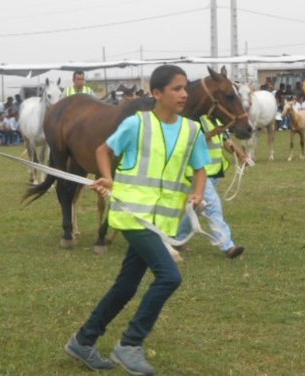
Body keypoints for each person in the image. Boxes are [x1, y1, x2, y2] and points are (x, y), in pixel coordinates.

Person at [64, 65, 210, 376]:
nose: (184, 94)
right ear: (157, 94)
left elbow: (201, 168)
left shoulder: (192, 130)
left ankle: (83, 340)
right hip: (132, 216)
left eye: (185, 88)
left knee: (126, 285)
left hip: (161, 223)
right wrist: (106, 177)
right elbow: (103, 150)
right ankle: (130, 344)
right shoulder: (137, 124)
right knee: (170, 277)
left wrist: (197, 194)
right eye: (176, 88)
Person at [175, 115, 249, 258]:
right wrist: (211, 134)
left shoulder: (216, 120)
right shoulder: (195, 121)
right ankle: (227, 246)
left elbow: (227, 142)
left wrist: (242, 156)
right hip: (198, 172)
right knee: (213, 206)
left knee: (196, 208)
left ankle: (178, 239)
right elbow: (191, 142)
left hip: (213, 172)